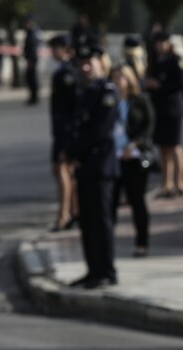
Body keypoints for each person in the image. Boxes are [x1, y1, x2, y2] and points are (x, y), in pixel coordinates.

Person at [66, 42, 119, 289]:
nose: (85, 67)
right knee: (87, 221)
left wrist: (75, 150)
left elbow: (99, 131)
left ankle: (106, 271)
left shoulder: (107, 90)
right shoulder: (86, 91)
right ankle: (93, 270)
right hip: (86, 166)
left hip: (100, 167)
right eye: (82, 63)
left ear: (100, 62)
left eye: (90, 62)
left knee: (101, 220)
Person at [109, 63, 155, 258]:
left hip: (133, 157)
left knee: (136, 201)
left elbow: (149, 125)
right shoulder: (108, 100)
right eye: (113, 78)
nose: (117, 81)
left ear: (128, 79)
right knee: (109, 203)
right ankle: (107, 244)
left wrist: (134, 144)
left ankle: (141, 243)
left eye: (120, 77)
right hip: (112, 157)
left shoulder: (139, 99)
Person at [144, 31, 183, 198]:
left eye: (163, 42)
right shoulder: (155, 62)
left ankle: (180, 183)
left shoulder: (175, 61)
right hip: (159, 109)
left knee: (175, 146)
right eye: (157, 42)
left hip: (173, 109)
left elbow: (182, 84)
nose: (160, 46)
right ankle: (166, 184)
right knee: (162, 148)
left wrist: (160, 85)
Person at [48, 34, 78, 232]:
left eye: (55, 48)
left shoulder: (67, 73)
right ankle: (74, 212)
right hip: (62, 131)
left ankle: (65, 214)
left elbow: (72, 108)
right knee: (64, 171)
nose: (52, 52)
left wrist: (67, 136)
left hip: (66, 132)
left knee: (62, 171)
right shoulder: (64, 70)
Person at [23, 16, 41, 105]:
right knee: (30, 78)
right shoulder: (30, 32)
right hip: (30, 59)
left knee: (32, 78)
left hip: (32, 59)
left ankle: (34, 97)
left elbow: (32, 48)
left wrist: (30, 60)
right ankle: (33, 97)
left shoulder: (33, 33)